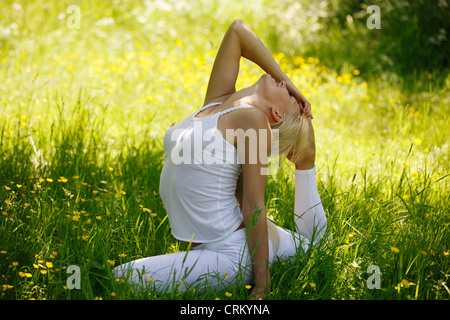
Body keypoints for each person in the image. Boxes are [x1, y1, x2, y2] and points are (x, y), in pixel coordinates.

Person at [113, 19, 327, 300]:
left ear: (275, 114)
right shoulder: (218, 102)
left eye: (286, 92)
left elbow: (253, 206)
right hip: (215, 245)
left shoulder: (253, 120)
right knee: (308, 246)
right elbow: (237, 31)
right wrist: (292, 85)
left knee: (123, 278)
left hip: (230, 254)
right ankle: (304, 167)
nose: (283, 84)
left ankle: (305, 163)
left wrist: (262, 287)